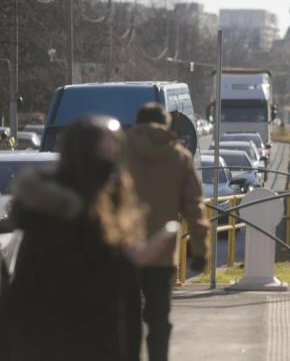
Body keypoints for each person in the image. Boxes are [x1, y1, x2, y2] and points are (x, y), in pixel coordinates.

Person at [0, 116, 145, 361]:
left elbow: (127, 311)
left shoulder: (110, 207)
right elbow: (62, 293)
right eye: (105, 154)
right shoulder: (54, 216)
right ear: (83, 156)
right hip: (64, 346)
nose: (113, 165)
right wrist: (129, 265)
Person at [124, 103, 208, 361]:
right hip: (162, 254)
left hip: (124, 253)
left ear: (136, 124)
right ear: (167, 125)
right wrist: (199, 250)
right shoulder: (179, 157)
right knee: (159, 319)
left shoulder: (119, 153)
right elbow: (194, 207)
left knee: (126, 318)